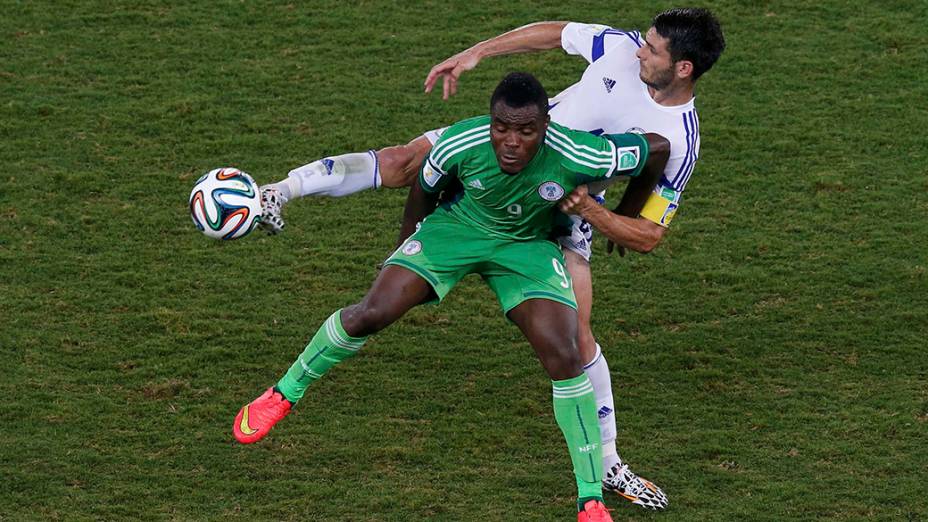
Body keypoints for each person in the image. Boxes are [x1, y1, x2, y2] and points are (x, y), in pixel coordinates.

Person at [258, 8, 725, 510]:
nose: (639, 50)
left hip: (555, 208)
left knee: (576, 339)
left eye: (653, 50)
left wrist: (605, 213)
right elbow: (556, 34)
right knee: (404, 161)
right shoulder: (620, 46)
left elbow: (650, 231)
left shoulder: (680, 139)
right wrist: (478, 51)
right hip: (500, 150)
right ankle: (276, 193)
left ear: (683, 68)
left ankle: (606, 464)